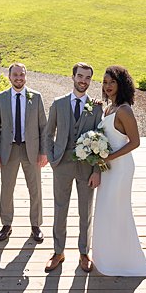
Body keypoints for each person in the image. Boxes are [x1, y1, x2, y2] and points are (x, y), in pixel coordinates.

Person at [90, 66, 146, 277]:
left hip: (121, 167)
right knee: (107, 210)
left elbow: (135, 142)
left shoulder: (124, 110)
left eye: (112, 82)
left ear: (121, 84)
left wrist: (108, 157)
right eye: (105, 82)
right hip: (107, 167)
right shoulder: (109, 108)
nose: (107, 86)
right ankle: (107, 256)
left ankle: (125, 260)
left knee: (118, 210)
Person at [42, 62, 103, 272]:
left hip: (87, 167)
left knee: (85, 210)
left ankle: (84, 252)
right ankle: (58, 251)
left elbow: (101, 139)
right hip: (62, 165)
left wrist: (96, 171)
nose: (83, 81)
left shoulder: (96, 107)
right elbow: (48, 134)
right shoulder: (58, 104)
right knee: (60, 209)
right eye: (80, 76)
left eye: (87, 78)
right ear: (73, 77)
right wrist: (51, 159)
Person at [0, 63, 48, 242]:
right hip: (9, 149)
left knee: (35, 189)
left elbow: (43, 127)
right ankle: (6, 224)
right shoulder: (1, 98)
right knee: (7, 189)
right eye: (15, 75)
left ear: (26, 76)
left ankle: (36, 225)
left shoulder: (35, 97)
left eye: (21, 75)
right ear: (9, 77)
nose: (18, 78)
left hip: (31, 150)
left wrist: (43, 152)